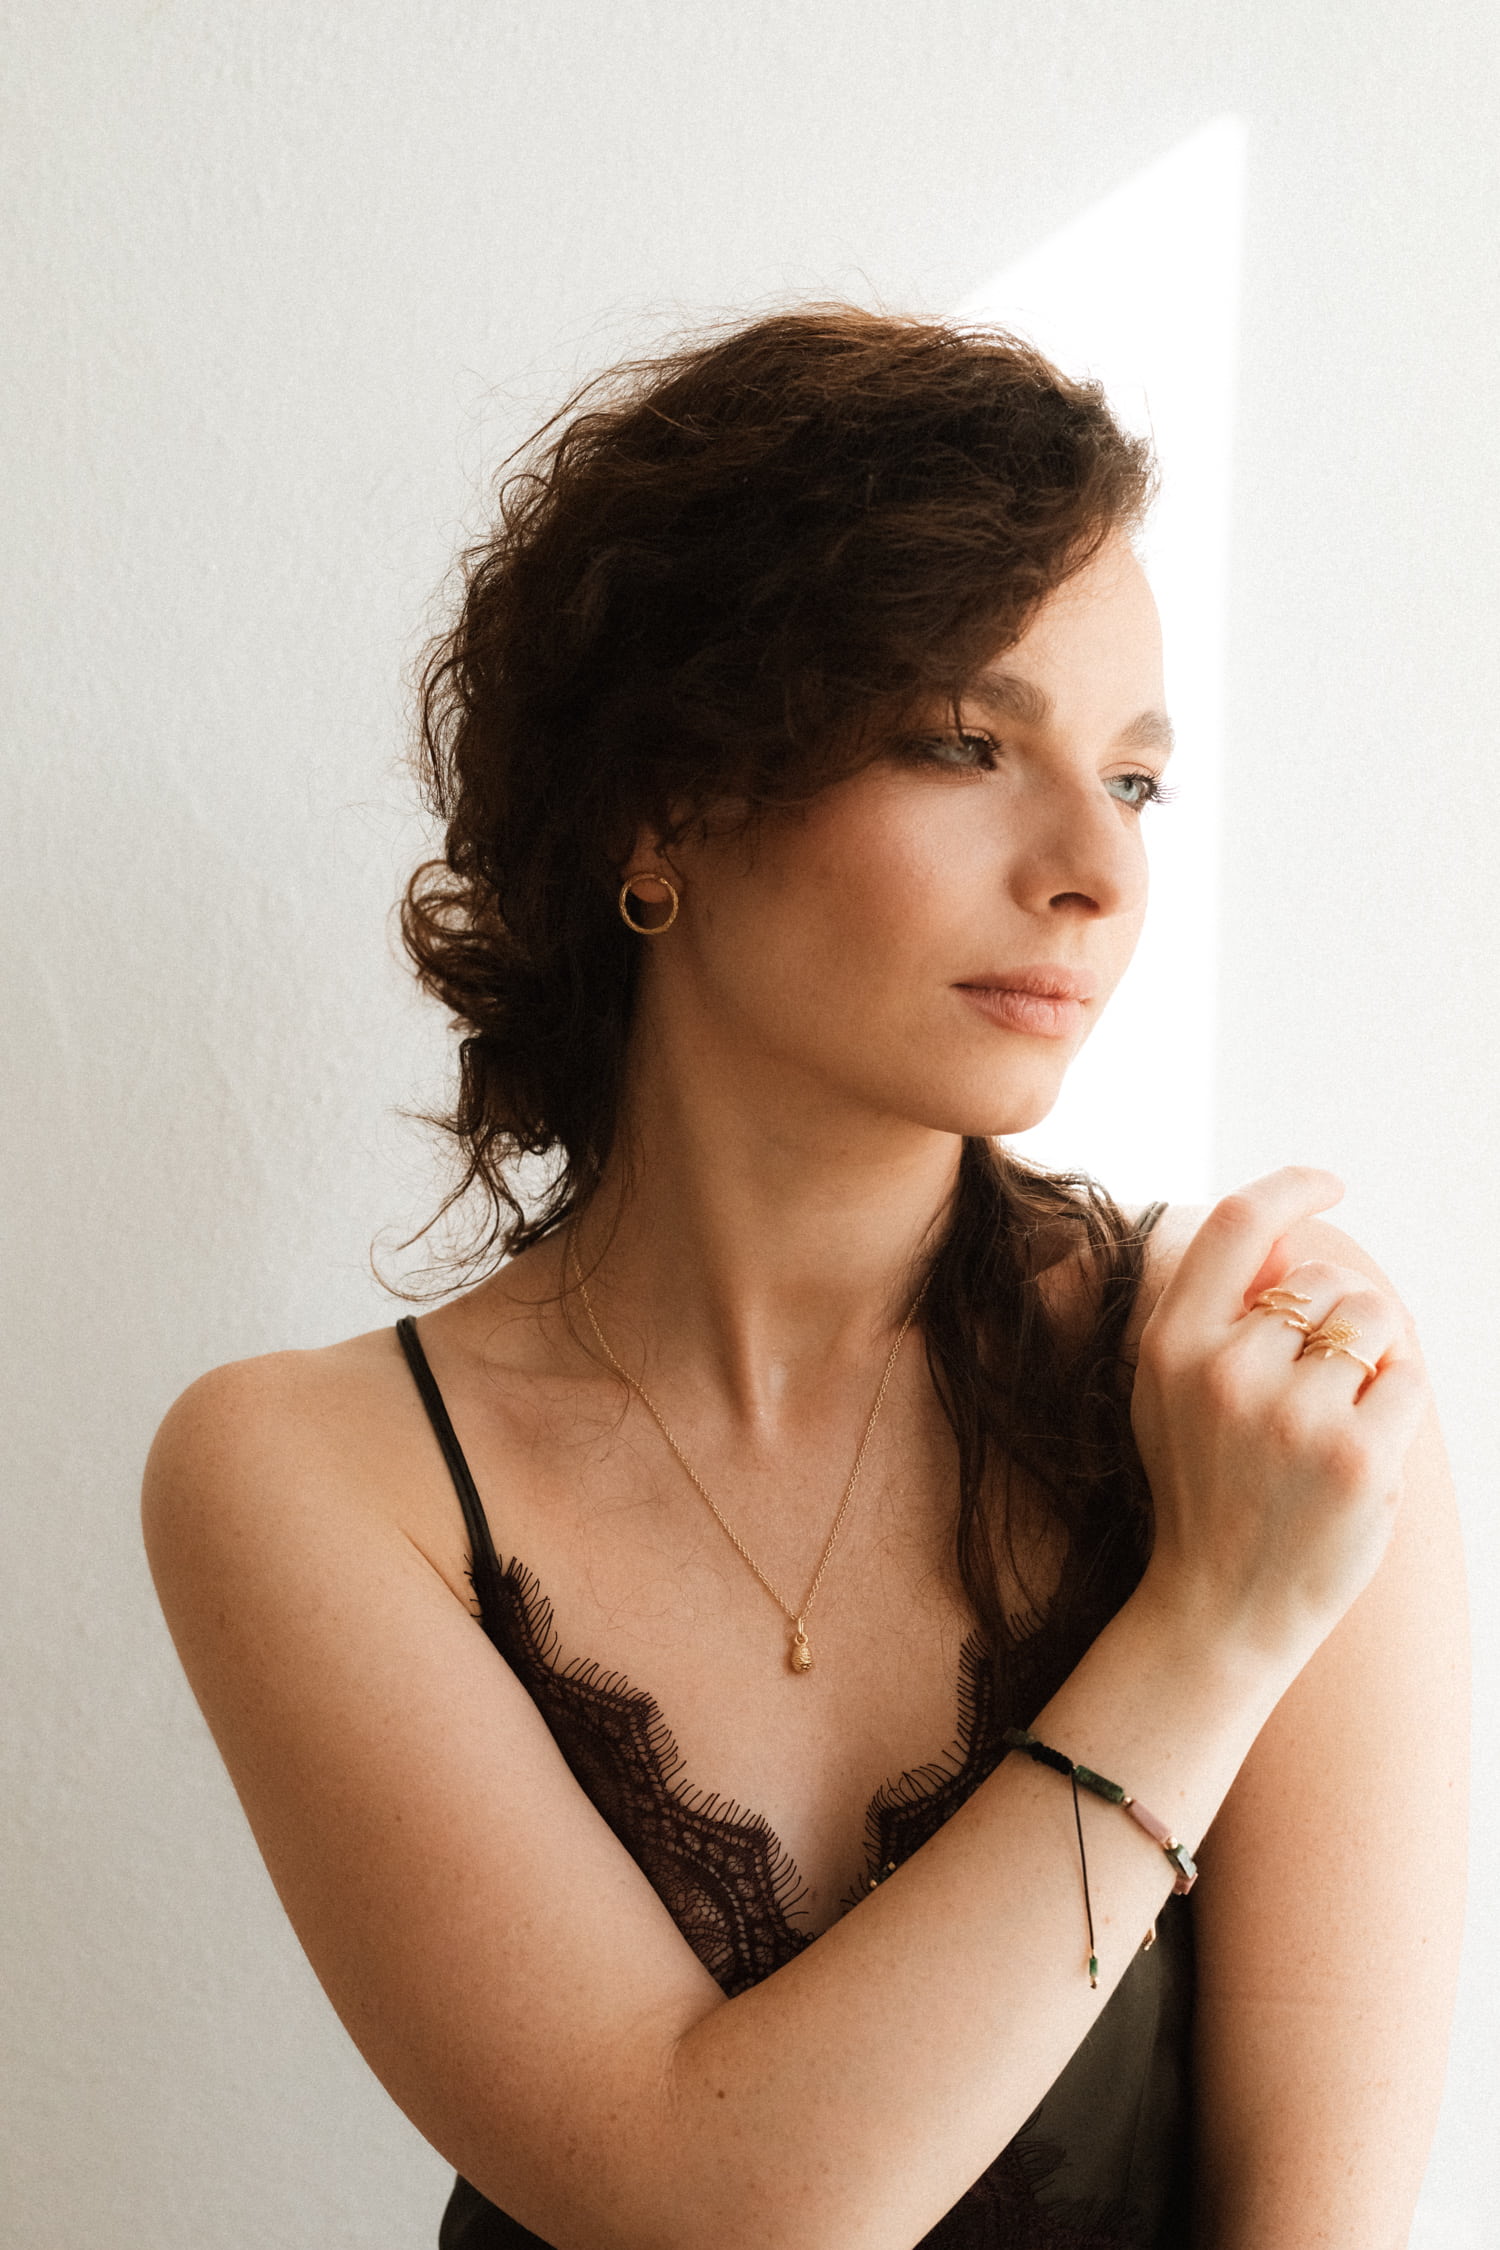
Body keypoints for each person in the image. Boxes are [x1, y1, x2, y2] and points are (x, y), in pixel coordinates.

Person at [141, 307, 1467, 2250]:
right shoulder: (315, 1474)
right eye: (964, 743)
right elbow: (701, 2208)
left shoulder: (1264, 1388)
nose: (1098, 870)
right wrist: (1212, 1629)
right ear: (662, 802)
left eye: (1136, 781)